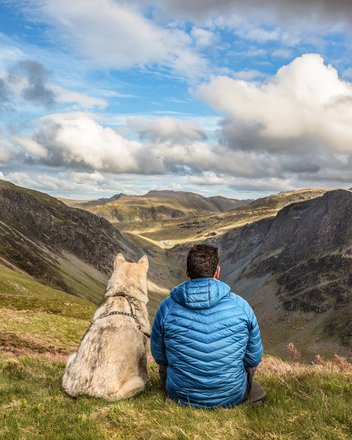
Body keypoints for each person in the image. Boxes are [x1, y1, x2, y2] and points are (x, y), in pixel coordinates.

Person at [151, 243, 265, 409]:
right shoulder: (241, 306)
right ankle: (231, 392)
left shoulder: (166, 307)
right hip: (232, 395)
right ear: (217, 272)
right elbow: (253, 358)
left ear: (187, 271)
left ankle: (183, 392)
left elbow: (159, 356)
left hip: (181, 395)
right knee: (254, 384)